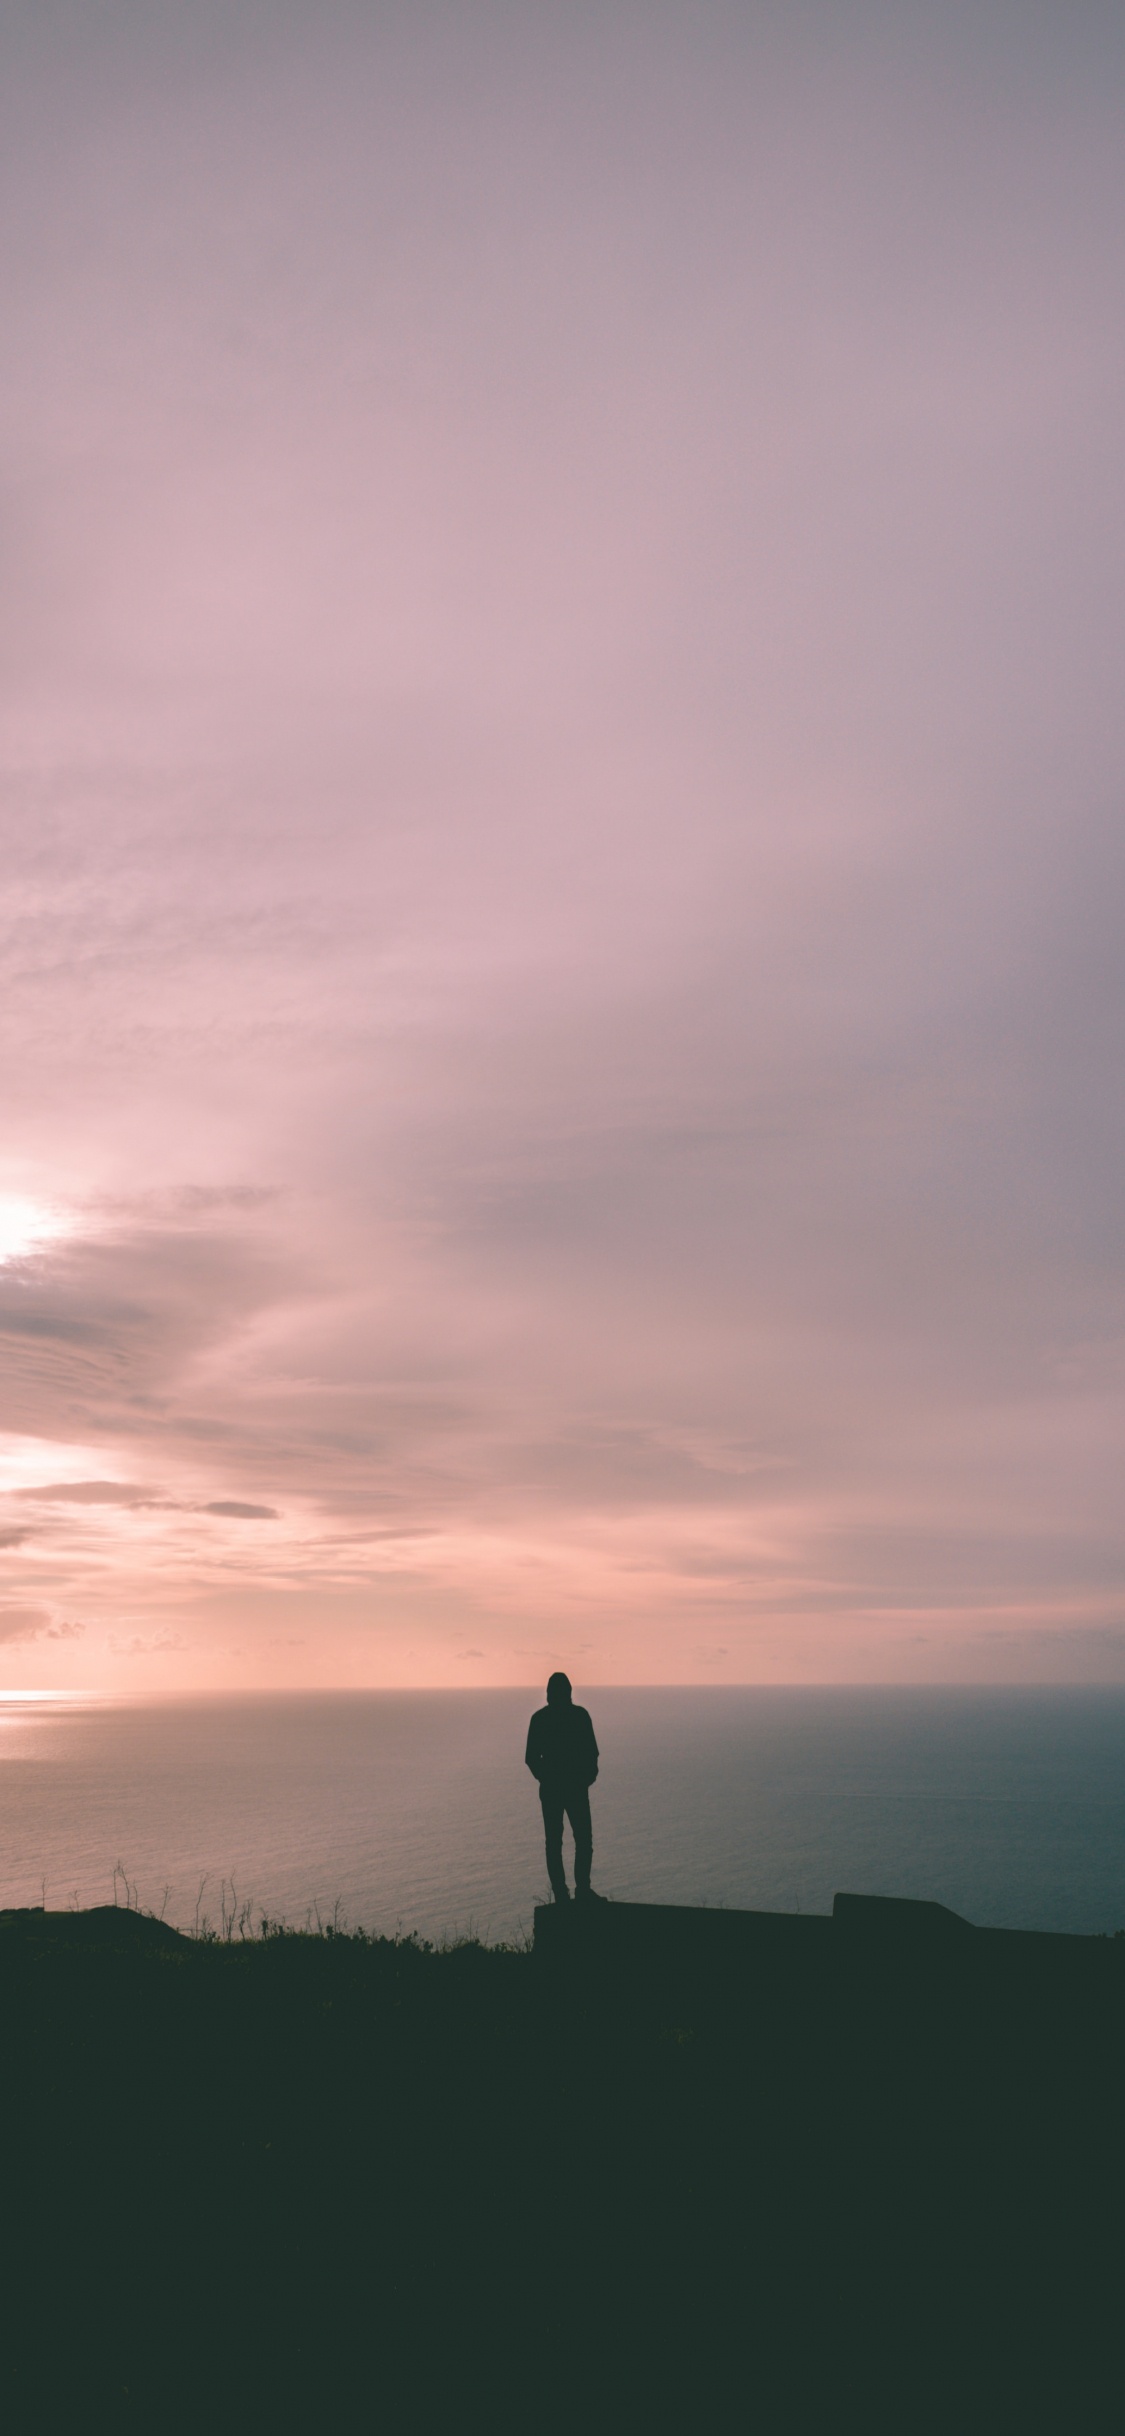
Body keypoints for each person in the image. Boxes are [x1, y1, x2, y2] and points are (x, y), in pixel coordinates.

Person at [525, 1672, 601, 1904]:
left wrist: (545, 1778)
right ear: (568, 1692)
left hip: (554, 1790)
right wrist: (584, 1779)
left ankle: (562, 1893)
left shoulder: (540, 1719)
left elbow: (531, 1758)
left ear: (549, 1694)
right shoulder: (579, 1716)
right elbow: (592, 1754)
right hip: (573, 1788)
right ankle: (582, 1890)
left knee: (555, 1842)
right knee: (582, 1840)